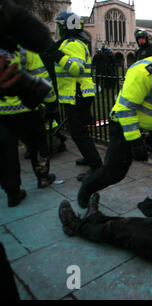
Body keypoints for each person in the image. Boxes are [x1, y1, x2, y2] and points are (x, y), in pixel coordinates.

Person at [77, 42, 152, 222]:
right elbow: (126, 110)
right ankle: (88, 187)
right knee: (115, 171)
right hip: (125, 126)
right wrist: (135, 142)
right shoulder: (143, 73)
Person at [46, 11, 102, 182]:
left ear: (68, 26)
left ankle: (96, 166)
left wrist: (59, 56)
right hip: (76, 94)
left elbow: (76, 68)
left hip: (77, 94)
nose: (59, 29)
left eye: (60, 26)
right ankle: (89, 157)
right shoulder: (73, 42)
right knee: (79, 130)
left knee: (79, 132)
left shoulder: (72, 44)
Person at [0, 47, 57, 207]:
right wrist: (51, 102)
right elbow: (42, 77)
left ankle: (12, 193)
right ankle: (43, 177)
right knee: (37, 145)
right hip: (27, 108)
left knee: (5, 153)